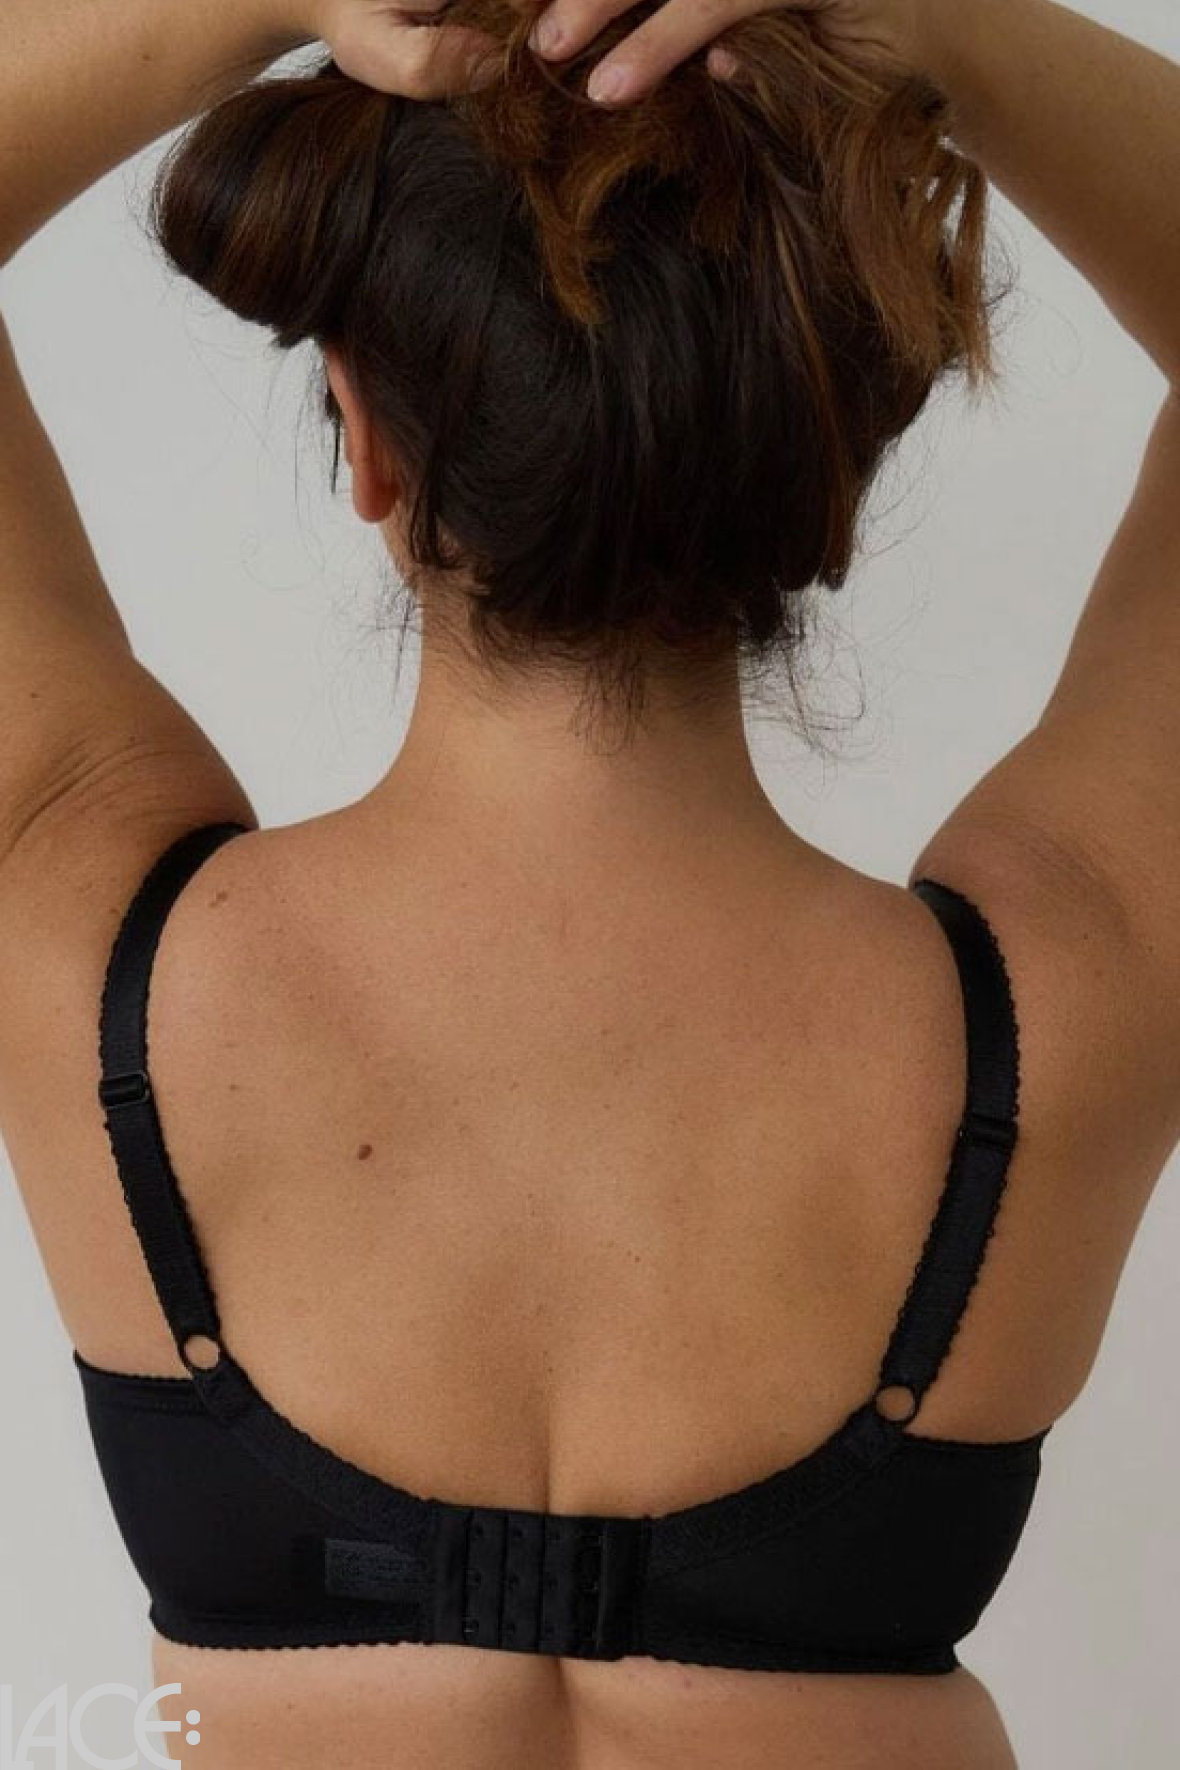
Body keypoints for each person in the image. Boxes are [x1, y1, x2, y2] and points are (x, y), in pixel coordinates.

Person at [0, 0, 1176, 1765]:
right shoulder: (1061, 998)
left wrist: (267, 2)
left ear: (369, 446)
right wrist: (949, 26)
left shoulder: (91, 945)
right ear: (833, 475)